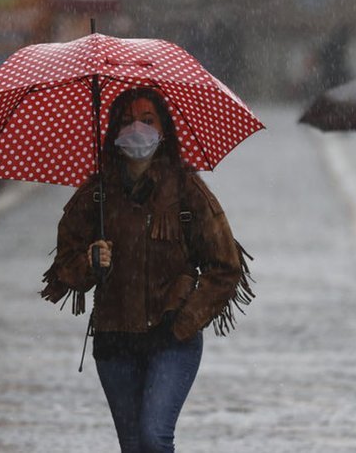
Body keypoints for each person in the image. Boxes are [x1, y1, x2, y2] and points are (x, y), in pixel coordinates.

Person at [40, 87, 253, 453]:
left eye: (147, 120)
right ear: (113, 133)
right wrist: (90, 263)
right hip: (115, 341)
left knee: (155, 437)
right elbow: (63, 270)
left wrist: (185, 321)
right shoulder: (96, 195)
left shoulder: (188, 192)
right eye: (126, 121)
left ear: (164, 129)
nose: (136, 128)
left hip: (172, 341)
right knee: (134, 445)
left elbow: (226, 267)